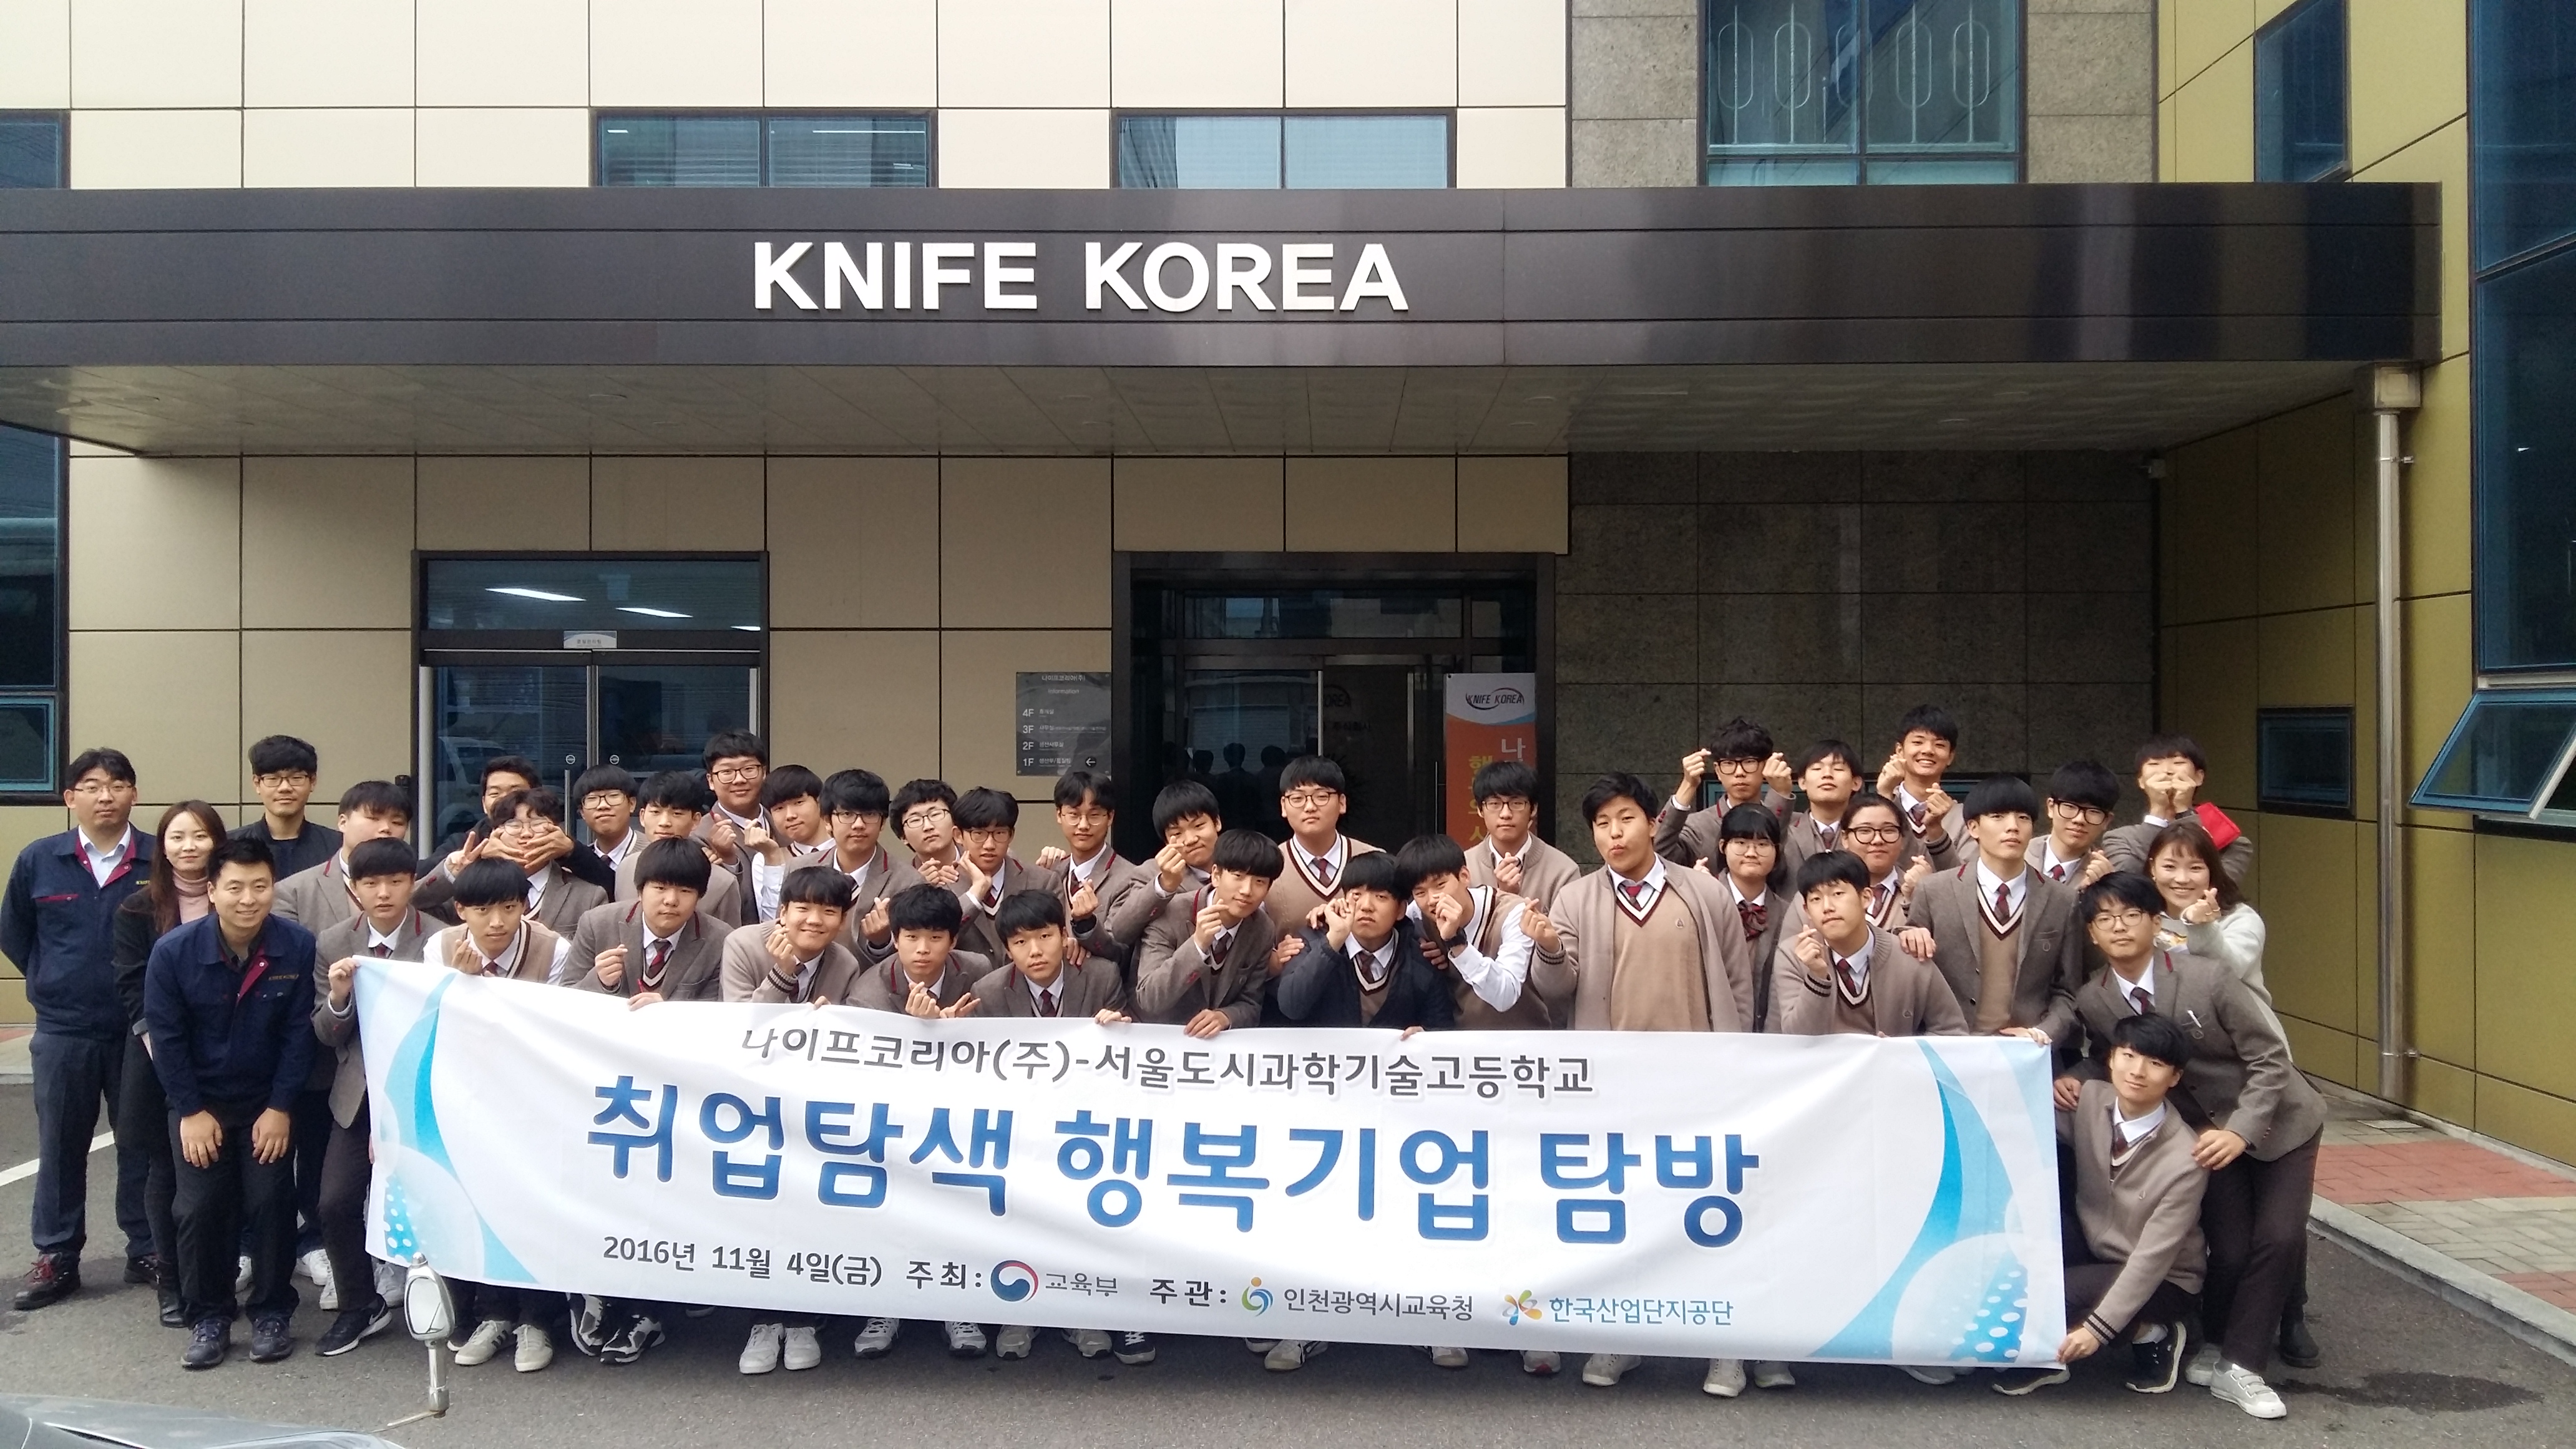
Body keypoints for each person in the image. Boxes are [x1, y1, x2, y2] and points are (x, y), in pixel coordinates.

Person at [2056, 870, 2322, 1418]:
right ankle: (2218, 1342)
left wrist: (2241, 1129)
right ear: (2092, 934)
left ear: (2157, 922)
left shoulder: (2209, 977)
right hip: (2202, 1134)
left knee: (2277, 1237)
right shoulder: (2094, 997)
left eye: (2132, 915)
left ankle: (2243, 1366)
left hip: (2278, 1121)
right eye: (2105, 919)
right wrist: (2075, 1079)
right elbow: (2108, 1053)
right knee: (2229, 1246)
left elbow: (2271, 1057)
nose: (2119, 927)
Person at [1526, 773, 1755, 1397]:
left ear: (1653, 823)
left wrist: (1737, 1062)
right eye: (1602, 824)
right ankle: (1620, 1339)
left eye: (1625, 818)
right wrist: (1548, 950)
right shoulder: (1576, 898)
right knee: (1625, 1215)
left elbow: (1737, 983)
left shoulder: (1703, 891)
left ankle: (1725, 1349)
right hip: (1615, 1090)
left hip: (1699, 1083)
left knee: (1708, 1215)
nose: (1614, 833)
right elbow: (1557, 992)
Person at [1266, 850, 1455, 1375]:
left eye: (1380, 896)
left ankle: (1426, 1322)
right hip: (1325, 1115)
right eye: (1355, 895)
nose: (1365, 906)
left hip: (1401, 1119)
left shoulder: (1423, 958)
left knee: (1407, 1217)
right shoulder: (1313, 941)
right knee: (1319, 1217)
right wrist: (1331, 943)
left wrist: (1428, 1040)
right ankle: (1305, 1326)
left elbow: (1445, 1030)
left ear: (1402, 907)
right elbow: (1292, 1004)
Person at [142, 837, 316, 1370]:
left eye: (260, 886)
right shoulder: (174, 952)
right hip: (201, 1105)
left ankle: (272, 1312)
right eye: (235, 887)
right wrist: (190, 1111)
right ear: (212, 891)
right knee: (199, 1208)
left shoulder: (296, 945)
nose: (248, 898)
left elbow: (298, 1036)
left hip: (267, 1103)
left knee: (271, 1201)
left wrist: (281, 1107)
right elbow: (167, 1040)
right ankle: (209, 1316)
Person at [4, 746, 155, 1312]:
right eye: (91, 786)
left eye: (117, 785)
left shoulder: (159, 859)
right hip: (64, 1029)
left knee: (140, 1141)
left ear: (134, 793)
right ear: (70, 798)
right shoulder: (40, 859)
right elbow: (16, 933)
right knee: (61, 1143)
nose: (105, 796)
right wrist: (52, 979)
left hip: (138, 1027)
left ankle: (147, 1248)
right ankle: (58, 1254)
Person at [971, 890, 1147, 1368]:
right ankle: (1021, 1313)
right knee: (1021, 1218)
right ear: (1007, 949)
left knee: (1084, 1220)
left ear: (1064, 934)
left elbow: (1127, 1055)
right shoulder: (990, 992)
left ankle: (1081, 1313)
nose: (1035, 951)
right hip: (1021, 1129)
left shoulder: (1101, 975)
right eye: (1021, 942)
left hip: (1087, 1127)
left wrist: (1120, 1029)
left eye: (1045, 937)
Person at [1997, 1008, 2207, 1400]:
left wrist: (2098, 1329)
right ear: (2111, 1058)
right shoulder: (2090, 1100)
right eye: (2128, 1056)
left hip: (2165, 1278)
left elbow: (2151, 1260)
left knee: (2052, 1296)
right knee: (2013, 1255)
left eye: (2155, 1063)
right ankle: (2059, 1341)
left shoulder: (2186, 1159)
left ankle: (2153, 1332)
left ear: (2175, 1077)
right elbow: (2022, 1124)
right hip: (2096, 1247)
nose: (2137, 1071)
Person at [428, 857, 570, 1372]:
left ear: (525, 906)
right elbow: (431, 1021)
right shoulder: (441, 948)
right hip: (470, 1097)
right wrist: (459, 985)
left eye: (509, 908)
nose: (496, 922)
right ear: (460, 910)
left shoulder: (554, 948)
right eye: (482, 910)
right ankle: (495, 1314)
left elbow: (555, 1025)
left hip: (534, 1098)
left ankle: (537, 1320)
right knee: (480, 1201)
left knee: (532, 1203)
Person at [308, 836, 435, 1358]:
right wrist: (340, 999)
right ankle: (360, 1304)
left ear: (413, 884)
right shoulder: (335, 940)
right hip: (358, 1096)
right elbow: (325, 1033)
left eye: (396, 882)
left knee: (435, 1199)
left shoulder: (440, 939)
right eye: (371, 883)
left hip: (424, 1095)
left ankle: (455, 1304)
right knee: (335, 1202)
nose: (384, 893)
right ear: (352, 888)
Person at [110, 801, 228, 1329]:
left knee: (219, 1173)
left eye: (199, 836)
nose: (188, 847)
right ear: (162, 847)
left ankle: (218, 1279)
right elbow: (131, 987)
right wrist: (167, 1052)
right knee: (165, 1172)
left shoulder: (235, 897)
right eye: (177, 837)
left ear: (217, 842)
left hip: (227, 1057)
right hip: (155, 1059)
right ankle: (172, 1283)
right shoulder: (138, 909)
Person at [1899, 775, 2084, 1054]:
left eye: (2023, 818)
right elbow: (1910, 959)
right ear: (1973, 827)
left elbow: (2068, 990)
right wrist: (1906, 935)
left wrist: (2043, 1033)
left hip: (2026, 1050)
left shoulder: (2062, 899)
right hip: (1950, 1046)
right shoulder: (1934, 890)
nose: (2013, 827)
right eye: (1998, 816)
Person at [1773, 851, 1966, 1039]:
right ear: (1806, 910)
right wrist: (1817, 977)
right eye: (1816, 899)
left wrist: (1902, 1052)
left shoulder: (1907, 952)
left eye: (1838, 893)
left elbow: (1951, 1031)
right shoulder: (1794, 956)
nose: (1827, 907)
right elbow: (1797, 1039)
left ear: (1866, 897)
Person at [1129, 828, 1289, 1038]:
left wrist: (1226, 1017)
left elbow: (1251, 1004)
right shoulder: (1171, 914)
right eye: (1238, 876)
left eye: (1259, 882)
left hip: (1216, 1047)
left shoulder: (1262, 928)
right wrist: (1197, 946)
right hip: (1158, 1039)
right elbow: (1149, 998)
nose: (1247, 890)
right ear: (1216, 875)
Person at [1393, 833, 1553, 1031]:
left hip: (1522, 1038)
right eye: (1420, 892)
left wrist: (1456, 943)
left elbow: (1505, 995)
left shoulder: (1513, 913)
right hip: (1459, 1041)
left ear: (1464, 876)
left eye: (1440, 885)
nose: (1432, 899)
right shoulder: (1417, 916)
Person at [568, 838, 731, 1004]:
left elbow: (718, 1010)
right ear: (640, 891)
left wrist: (669, 1010)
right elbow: (565, 998)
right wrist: (599, 981)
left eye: (685, 891)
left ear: (699, 897)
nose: (671, 900)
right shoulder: (597, 924)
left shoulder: (720, 941)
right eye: (660, 888)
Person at [268, 780, 417, 932]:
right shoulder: (292, 892)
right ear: (343, 822)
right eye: (374, 819)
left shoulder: (416, 883)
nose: (386, 828)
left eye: (397, 822)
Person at [2101, 734, 2252, 884]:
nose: (2167, 771)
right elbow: (2129, 887)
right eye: (2154, 764)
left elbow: (2219, 888)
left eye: (2178, 762)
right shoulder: (2119, 839)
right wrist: (2158, 812)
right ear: (2141, 781)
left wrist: (2184, 811)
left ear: (2199, 777)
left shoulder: (2233, 843)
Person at [2147, 821, 2271, 1000]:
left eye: (2195, 868)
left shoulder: (2241, 918)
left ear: (2212, 870)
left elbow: (2230, 971)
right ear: (2153, 868)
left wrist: (2202, 928)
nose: (2182, 879)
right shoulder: (2141, 915)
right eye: (2170, 867)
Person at [1037, 770, 1149, 964]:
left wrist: (1086, 926)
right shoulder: (1051, 871)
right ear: (1059, 815)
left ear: (1110, 817)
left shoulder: (1131, 878)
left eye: (1094, 815)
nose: (1083, 825)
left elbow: (1121, 951)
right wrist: (1038, 877)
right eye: (1074, 815)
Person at [1102, 780, 1225, 953]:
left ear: (1217, 822)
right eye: (1177, 833)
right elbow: (1121, 932)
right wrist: (1164, 885)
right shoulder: (1150, 873)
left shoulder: (1241, 865)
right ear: (1167, 841)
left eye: (1198, 826)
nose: (1191, 839)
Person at [1264, 756, 1381, 936]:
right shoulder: (1266, 867)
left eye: (1321, 797)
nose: (1310, 807)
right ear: (1284, 806)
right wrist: (1274, 952)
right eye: (1297, 798)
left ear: (1342, 803)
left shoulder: (1375, 860)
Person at [1656, 716, 1792, 866]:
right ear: (1717, 771)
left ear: (1766, 766)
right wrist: (1688, 785)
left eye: (1749, 762)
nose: (1739, 772)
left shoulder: (1793, 825)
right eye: (1728, 763)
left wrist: (1781, 794)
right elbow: (1658, 854)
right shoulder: (1698, 827)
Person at [614, 770, 745, 926]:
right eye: (655, 812)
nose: (664, 822)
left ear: (696, 820)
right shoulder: (626, 867)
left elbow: (729, 937)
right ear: (642, 817)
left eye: (676, 813)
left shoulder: (721, 881)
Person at [721, 866, 865, 1008]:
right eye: (803, 909)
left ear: (843, 920)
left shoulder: (846, 966)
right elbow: (740, 1017)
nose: (814, 920)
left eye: (829, 912)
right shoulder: (743, 946)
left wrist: (831, 1016)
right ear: (783, 913)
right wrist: (782, 974)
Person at [1710, 804, 1798, 1033]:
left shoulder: (1790, 914)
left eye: (1762, 845)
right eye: (1741, 843)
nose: (1751, 853)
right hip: (1711, 1037)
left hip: (1771, 1038)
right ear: (1723, 847)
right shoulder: (1702, 905)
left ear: (1777, 851)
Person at [952, 787, 1065, 963]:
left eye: (1000, 833)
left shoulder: (1043, 882)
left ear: (1011, 835)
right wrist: (976, 894)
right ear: (958, 835)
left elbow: (1060, 940)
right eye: (979, 834)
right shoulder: (944, 885)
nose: (989, 845)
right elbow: (940, 938)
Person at [846, 882, 988, 1016]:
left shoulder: (978, 971)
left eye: (935, 938)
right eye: (912, 937)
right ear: (896, 940)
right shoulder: (867, 996)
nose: (923, 949)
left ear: (953, 941)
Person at [1463, 759, 1580, 910]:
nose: (1505, 814)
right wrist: (1504, 896)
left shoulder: (1563, 871)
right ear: (1480, 809)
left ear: (1533, 809)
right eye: (1494, 804)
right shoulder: (1463, 867)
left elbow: (1569, 926)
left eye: (1516, 803)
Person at [235, 736, 341, 883]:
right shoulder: (231, 846)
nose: (285, 788)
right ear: (257, 784)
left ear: (313, 782)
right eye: (273, 779)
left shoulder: (338, 847)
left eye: (296, 778)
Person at [1874, 703, 1964, 866]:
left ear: (1950, 757)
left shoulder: (1964, 818)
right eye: (1918, 742)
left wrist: (1936, 831)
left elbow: (1965, 876)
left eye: (1939, 745)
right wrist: (1885, 797)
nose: (1928, 750)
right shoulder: (1872, 806)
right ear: (1900, 751)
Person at [741, 765, 832, 923]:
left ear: (820, 802)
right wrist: (772, 859)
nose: (790, 815)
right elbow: (771, 922)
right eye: (779, 808)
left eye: (798, 802)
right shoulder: (763, 859)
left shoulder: (846, 850)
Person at [696, 729, 771, 907]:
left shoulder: (785, 823)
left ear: (764, 772)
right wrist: (729, 864)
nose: (739, 779)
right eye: (727, 771)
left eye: (749, 769)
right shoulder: (698, 837)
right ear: (711, 781)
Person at [1778, 740, 1867, 877]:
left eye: (1838, 769)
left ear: (1856, 783)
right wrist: (1780, 793)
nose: (1827, 774)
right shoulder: (1786, 829)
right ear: (1802, 782)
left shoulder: (1868, 833)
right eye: (1817, 768)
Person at [2037, 759, 2121, 887]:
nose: (2079, 819)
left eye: (2093, 811)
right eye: (2070, 807)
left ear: (2107, 820)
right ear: (2051, 807)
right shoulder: (2017, 856)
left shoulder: (2105, 875)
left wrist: (2106, 889)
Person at [568, 764, 642, 887]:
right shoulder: (575, 866)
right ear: (582, 813)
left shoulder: (654, 853)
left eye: (613, 796)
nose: (603, 806)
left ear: (632, 804)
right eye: (592, 799)